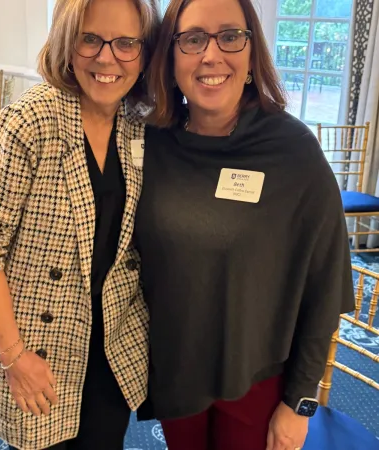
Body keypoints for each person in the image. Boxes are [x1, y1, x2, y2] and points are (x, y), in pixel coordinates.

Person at [135, 0, 354, 449]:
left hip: (259, 384)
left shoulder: (294, 153)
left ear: (252, 52)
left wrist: (300, 403)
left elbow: (325, 288)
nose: (211, 55)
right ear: (171, 56)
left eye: (230, 36)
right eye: (193, 38)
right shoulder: (148, 144)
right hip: (177, 377)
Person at [0, 0, 160, 449]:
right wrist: (14, 357)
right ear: (68, 42)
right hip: (35, 350)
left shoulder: (137, 124)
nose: (107, 58)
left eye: (126, 43)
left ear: (144, 53)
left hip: (111, 347)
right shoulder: (30, 121)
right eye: (91, 39)